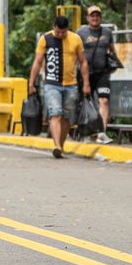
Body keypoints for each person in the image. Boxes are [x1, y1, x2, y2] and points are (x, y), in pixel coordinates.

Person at [28, 15, 90, 159]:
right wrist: (31, 83)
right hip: (52, 84)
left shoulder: (76, 39)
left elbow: (83, 62)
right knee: (55, 114)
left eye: (63, 32)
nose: (61, 34)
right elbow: (37, 62)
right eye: (58, 32)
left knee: (66, 118)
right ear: (53, 27)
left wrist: (86, 83)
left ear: (68, 29)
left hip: (71, 85)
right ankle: (56, 145)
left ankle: (60, 146)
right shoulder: (45, 39)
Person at [78, 5, 122, 143]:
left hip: (102, 72)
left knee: (104, 100)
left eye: (97, 15)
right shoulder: (81, 32)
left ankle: (101, 134)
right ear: (87, 18)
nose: (95, 18)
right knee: (85, 102)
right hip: (86, 73)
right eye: (92, 15)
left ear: (101, 18)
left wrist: (115, 62)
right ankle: (85, 132)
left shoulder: (107, 32)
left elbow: (112, 49)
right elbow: (75, 51)